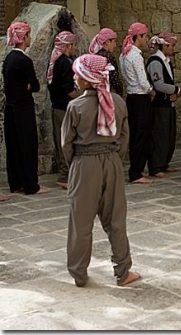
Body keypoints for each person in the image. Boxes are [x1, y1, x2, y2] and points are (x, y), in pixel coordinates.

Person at [61, 54, 140, 287]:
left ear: (87, 79)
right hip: (112, 161)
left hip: (84, 164)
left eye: (78, 74)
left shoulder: (75, 106)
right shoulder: (118, 102)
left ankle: (79, 274)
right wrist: (115, 159)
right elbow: (125, 137)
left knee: (80, 222)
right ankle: (123, 272)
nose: (75, 77)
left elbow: (66, 143)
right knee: (116, 220)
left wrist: (75, 166)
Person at [3, 22, 48, 195]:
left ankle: (15, 183)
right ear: (23, 38)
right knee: (28, 146)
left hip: (11, 108)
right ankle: (31, 185)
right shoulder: (24, 60)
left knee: (14, 146)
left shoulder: (8, 59)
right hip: (23, 109)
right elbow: (35, 85)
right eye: (28, 35)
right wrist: (28, 86)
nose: (30, 38)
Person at [119, 22, 155, 184]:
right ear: (138, 36)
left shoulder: (123, 54)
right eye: (145, 36)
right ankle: (136, 172)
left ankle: (136, 168)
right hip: (140, 98)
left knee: (135, 135)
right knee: (141, 135)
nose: (146, 39)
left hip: (131, 98)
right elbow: (142, 80)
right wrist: (151, 90)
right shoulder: (135, 55)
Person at [146, 31, 180, 178]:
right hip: (159, 105)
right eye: (171, 45)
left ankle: (164, 163)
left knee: (169, 135)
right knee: (160, 136)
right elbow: (158, 84)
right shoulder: (155, 61)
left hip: (168, 104)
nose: (173, 48)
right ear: (164, 46)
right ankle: (156, 166)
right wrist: (176, 90)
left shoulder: (167, 60)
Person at [47, 30, 79, 189]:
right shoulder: (65, 63)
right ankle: (65, 176)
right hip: (64, 108)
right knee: (66, 143)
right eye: (73, 45)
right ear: (67, 46)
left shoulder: (56, 61)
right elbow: (68, 89)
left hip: (57, 107)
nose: (75, 48)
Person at [89, 27, 123, 95]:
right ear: (107, 42)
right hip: (108, 92)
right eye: (114, 41)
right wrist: (120, 91)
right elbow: (113, 77)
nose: (115, 45)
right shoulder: (108, 56)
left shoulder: (96, 55)